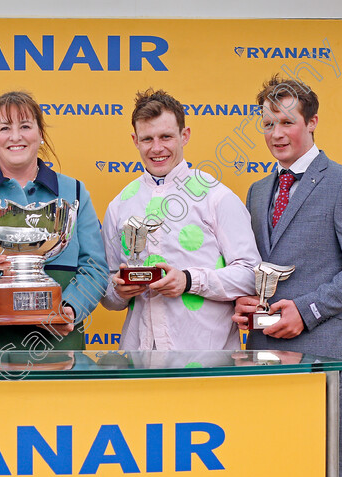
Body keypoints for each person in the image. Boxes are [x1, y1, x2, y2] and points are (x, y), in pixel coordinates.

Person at [232, 75, 342, 477]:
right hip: (263, 352)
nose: (276, 134)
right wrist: (245, 304)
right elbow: (258, 268)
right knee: (271, 466)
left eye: (287, 122)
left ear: (312, 122)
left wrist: (307, 310)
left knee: (321, 468)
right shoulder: (258, 192)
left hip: (324, 351)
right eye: (267, 124)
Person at [0, 91, 108, 350]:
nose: (15, 137)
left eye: (25, 126)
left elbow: (96, 268)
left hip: (55, 347)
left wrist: (69, 308)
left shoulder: (75, 193)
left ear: (40, 134)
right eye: (4, 128)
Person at [100, 88, 260, 352]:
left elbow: (251, 275)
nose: (157, 148)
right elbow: (108, 295)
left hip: (208, 358)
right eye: (147, 139)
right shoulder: (119, 205)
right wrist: (119, 291)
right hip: (140, 360)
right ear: (135, 140)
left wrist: (188, 280)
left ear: (184, 136)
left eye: (166, 137)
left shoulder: (216, 196)